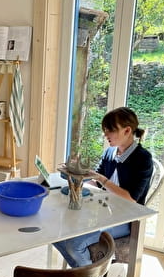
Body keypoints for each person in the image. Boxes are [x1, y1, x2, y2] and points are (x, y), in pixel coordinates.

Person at [54, 107, 153, 268]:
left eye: (110, 130)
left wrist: (101, 178)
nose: (105, 135)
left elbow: (131, 199)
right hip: (103, 211)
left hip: (126, 219)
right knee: (55, 232)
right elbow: (95, 182)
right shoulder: (110, 153)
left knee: (73, 244)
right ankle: (83, 274)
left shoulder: (143, 159)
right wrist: (76, 173)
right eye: (105, 130)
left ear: (127, 130)